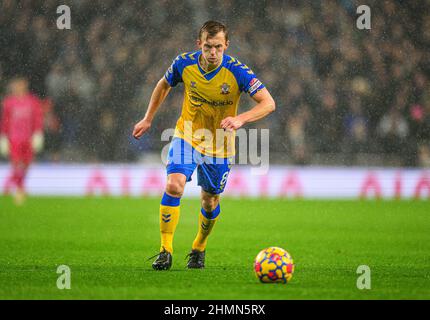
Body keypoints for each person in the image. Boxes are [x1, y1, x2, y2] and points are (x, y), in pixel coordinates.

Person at [132, 21, 275, 270]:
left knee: (209, 202)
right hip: (186, 136)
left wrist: (241, 118)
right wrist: (148, 118)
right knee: (174, 185)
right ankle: (165, 250)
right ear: (199, 44)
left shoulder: (237, 72)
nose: (213, 53)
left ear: (226, 46)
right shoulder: (183, 63)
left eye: (218, 47)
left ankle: (199, 247)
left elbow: (268, 103)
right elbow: (163, 84)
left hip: (220, 145)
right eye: (208, 46)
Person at [0, 77, 44, 205]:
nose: (16, 88)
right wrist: (3, 136)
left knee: (27, 164)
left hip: (28, 138)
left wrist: (38, 133)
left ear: (24, 85)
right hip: (14, 138)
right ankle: (20, 189)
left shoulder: (32, 101)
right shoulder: (9, 102)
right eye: (15, 85)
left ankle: (20, 186)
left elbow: (37, 118)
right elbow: (5, 120)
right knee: (16, 163)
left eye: (19, 85)